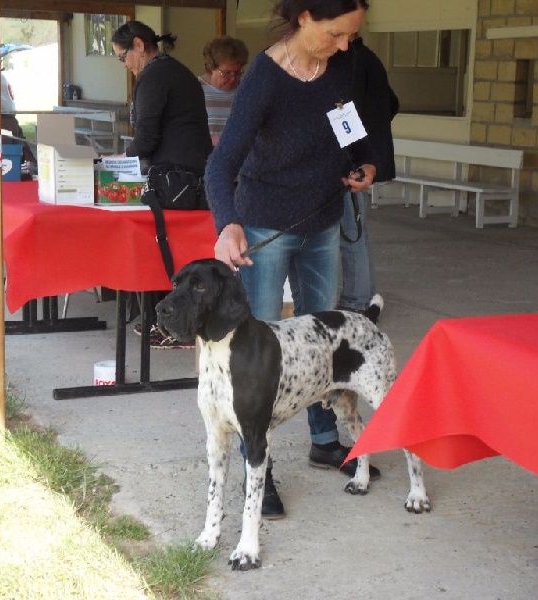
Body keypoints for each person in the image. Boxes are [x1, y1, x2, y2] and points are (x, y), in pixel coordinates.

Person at [205, 0, 379, 519]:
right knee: (260, 351)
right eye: (336, 33)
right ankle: (257, 469)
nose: (344, 46)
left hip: (323, 219)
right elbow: (221, 163)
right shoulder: (264, 78)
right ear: (304, 17)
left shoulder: (339, 65)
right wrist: (228, 223)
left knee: (322, 340)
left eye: (351, 36)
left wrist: (364, 160)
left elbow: (347, 125)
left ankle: (324, 440)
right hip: (267, 224)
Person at [111, 21, 213, 349]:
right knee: (183, 255)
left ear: (139, 45)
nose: (124, 64)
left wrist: (116, 160)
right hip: (192, 177)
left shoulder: (154, 76)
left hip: (174, 181)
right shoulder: (176, 70)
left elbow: (146, 139)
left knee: (158, 252)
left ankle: (168, 325)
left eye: (123, 56)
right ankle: (175, 324)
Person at [337, 36, 399, 317]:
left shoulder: (348, 61)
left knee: (352, 232)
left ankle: (356, 299)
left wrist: (359, 148)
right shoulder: (369, 58)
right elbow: (393, 103)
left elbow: (341, 111)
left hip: (355, 160)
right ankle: (364, 293)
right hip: (367, 155)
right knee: (357, 231)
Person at [198, 36, 249, 146]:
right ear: (211, 67)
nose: (233, 78)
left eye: (237, 73)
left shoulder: (245, 90)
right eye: (227, 73)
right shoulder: (195, 90)